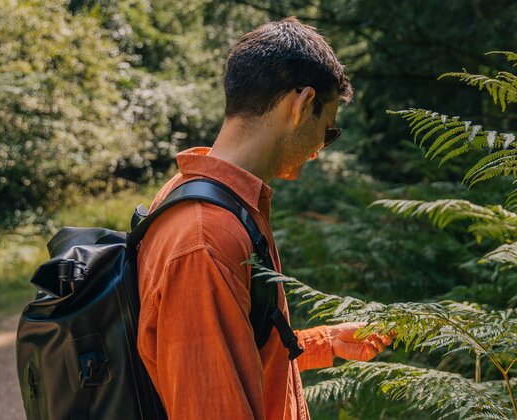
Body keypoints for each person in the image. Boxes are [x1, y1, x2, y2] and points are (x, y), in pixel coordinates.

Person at [136, 17, 393, 419]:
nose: (320, 147)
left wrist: (327, 341)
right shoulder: (207, 237)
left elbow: (242, 354)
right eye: (327, 130)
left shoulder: (205, 196)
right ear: (301, 105)